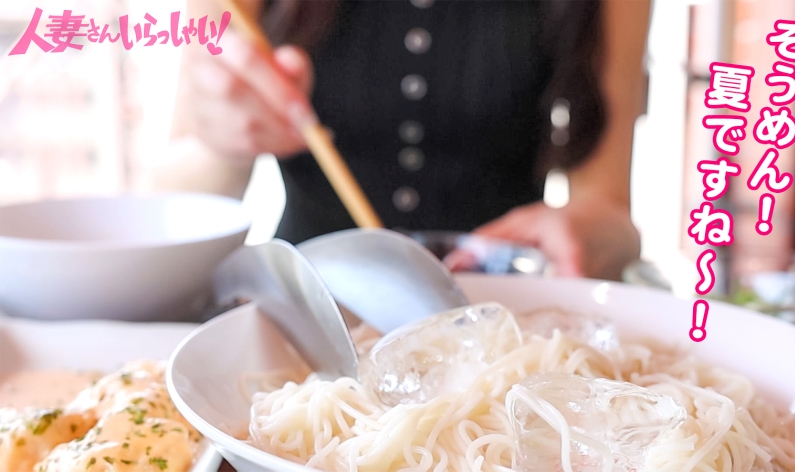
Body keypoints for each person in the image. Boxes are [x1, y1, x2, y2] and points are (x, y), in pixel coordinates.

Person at [172, 0, 650, 280]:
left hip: (499, 322)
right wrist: (221, 136)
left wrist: (583, 235)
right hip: (303, 315)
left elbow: (608, 206)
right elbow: (178, 184)